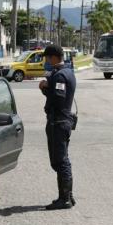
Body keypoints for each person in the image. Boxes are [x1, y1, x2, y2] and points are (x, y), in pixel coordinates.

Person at [39, 44, 77, 210]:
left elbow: (58, 98)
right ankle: (67, 195)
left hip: (58, 122)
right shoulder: (68, 71)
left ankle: (65, 198)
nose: (46, 61)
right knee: (62, 160)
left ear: (53, 57)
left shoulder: (60, 76)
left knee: (60, 161)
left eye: (47, 58)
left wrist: (45, 88)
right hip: (63, 121)